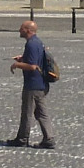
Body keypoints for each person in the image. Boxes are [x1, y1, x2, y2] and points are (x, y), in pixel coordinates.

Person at [8, 19, 56, 148]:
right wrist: (23, 59)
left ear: (28, 30)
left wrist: (17, 65)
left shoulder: (31, 44)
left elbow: (33, 66)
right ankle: (49, 138)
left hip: (33, 84)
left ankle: (22, 139)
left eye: (22, 28)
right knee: (41, 112)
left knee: (27, 112)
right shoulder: (37, 42)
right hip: (41, 83)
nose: (19, 30)